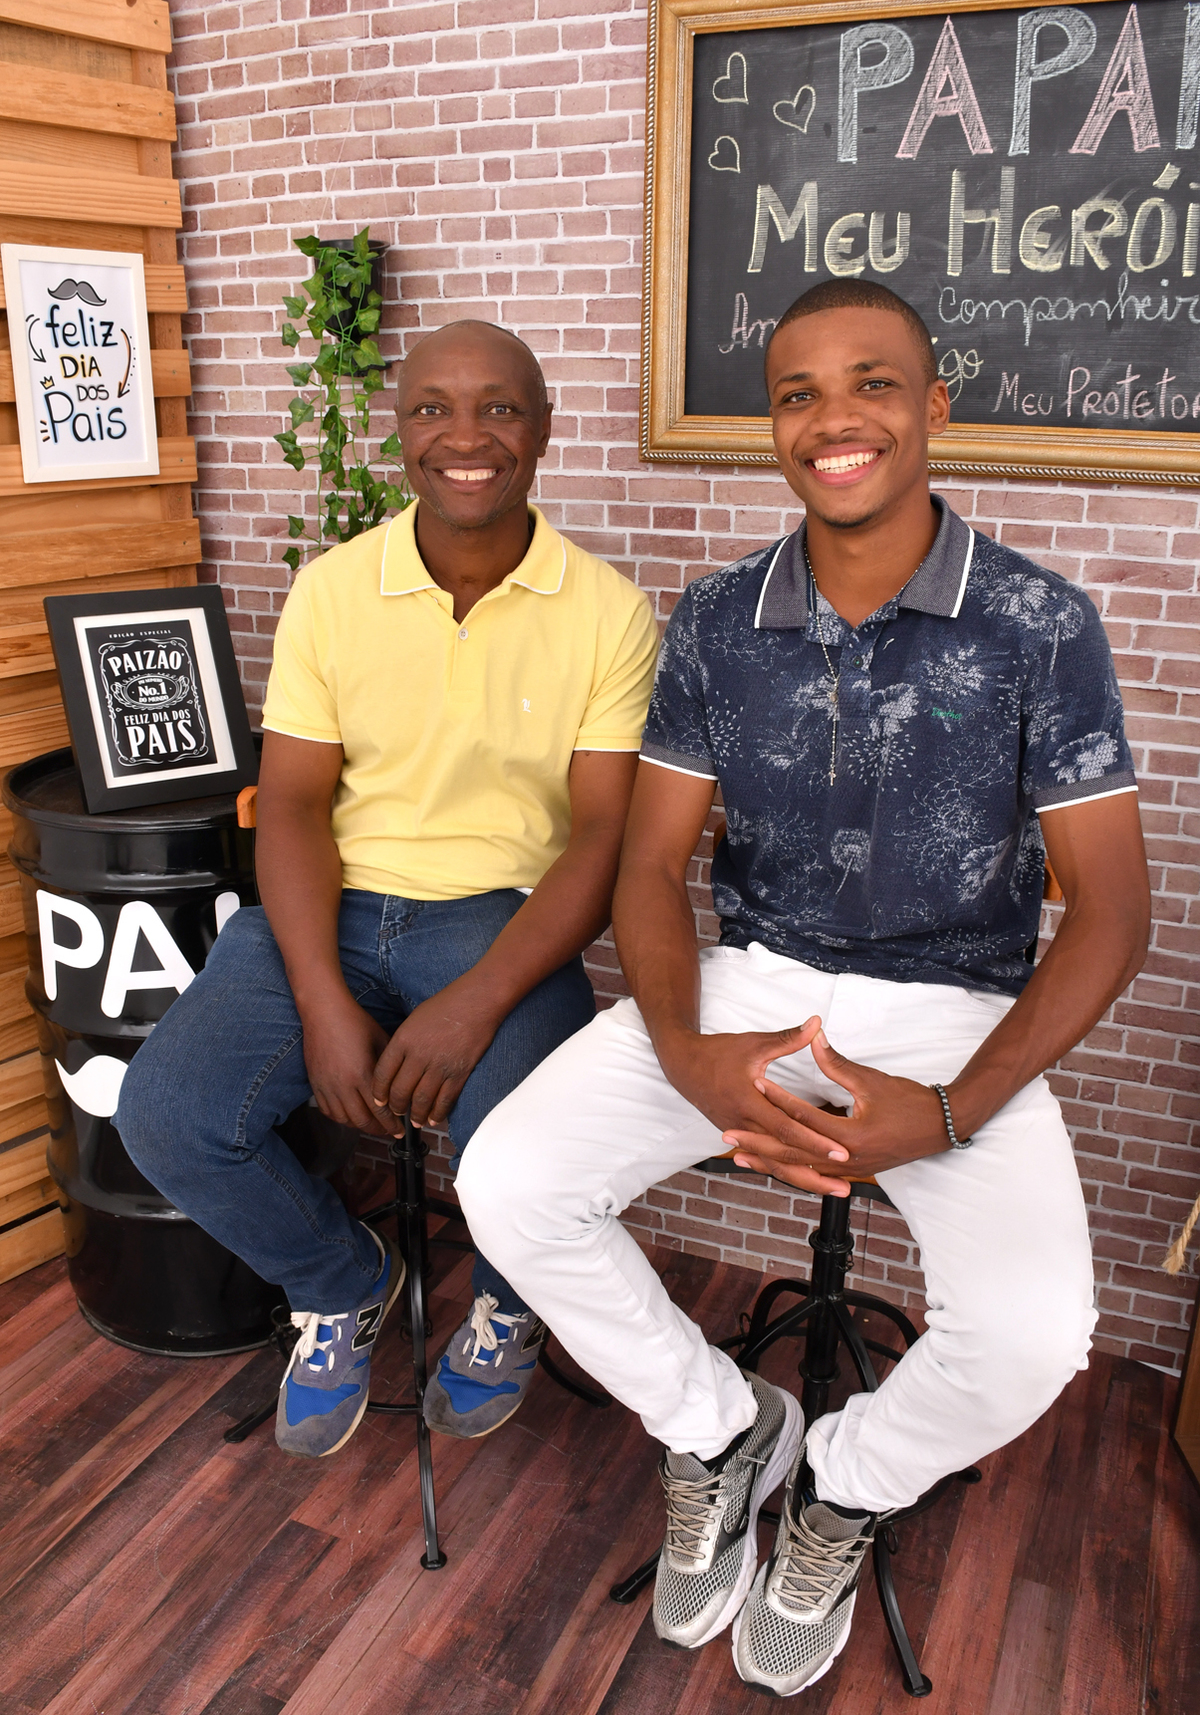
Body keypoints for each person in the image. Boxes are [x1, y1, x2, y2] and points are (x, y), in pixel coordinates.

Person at [454, 280, 1150, 1696]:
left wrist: (947, 1114)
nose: (836, 418)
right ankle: (721, 1430)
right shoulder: (718, 619)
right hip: (751, 985)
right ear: (772, 426)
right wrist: (690, 1052)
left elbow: (1115, 913)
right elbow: (650, 867)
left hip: (955, 1011)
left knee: (1036, 1337)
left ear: (934, 405)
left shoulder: (1038, 622)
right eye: (797, 393)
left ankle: (844, 1483)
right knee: (508, 1181)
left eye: (873, 383)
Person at [116, 320, 658, 1459]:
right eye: (431, 409)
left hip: (499, 925)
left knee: (528, 1152)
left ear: (545, 429)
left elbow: (606, 835)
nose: (465, 436)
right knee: (167, 1115)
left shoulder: (608, 610)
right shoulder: (333, 591)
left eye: (499, 408)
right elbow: (293, 806)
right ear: (399, 428)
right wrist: (322, 1003)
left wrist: (476, 1003)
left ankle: (508, 1303)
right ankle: (341, 1280)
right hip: (336, 907)